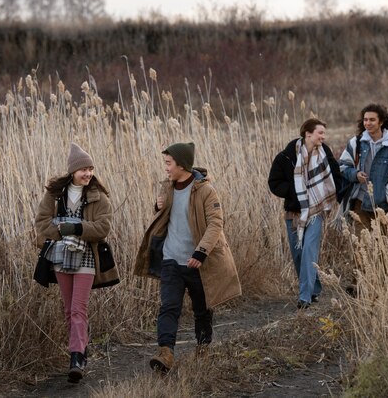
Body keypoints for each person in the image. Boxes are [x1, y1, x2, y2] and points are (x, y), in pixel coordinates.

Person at [134, 142, 242, 372]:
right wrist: (157, 205)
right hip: (171, 259)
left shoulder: (205, 190)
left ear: (181, 164)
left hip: (197, 262)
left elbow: (216, 223)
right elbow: (164, 215)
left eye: (168, 163)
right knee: (169, 307)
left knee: (202, 309)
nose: (165, 168)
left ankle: (203, 348)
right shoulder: (168, 187)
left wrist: (200, 252)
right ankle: (166, 353)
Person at [34, 143, 119, 384]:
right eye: (84, 169)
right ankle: (80, 347)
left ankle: (76, 358)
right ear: (73, 170)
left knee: (78, 307)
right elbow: (41, 222)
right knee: (68, 308)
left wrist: (78, 228)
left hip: (86, 260)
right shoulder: (55, 194)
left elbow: (103, 227)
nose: (88, 173)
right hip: (60, 259)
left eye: (91, 169)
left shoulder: (98, 196)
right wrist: (61, 233)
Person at [268, 118, 343, 309]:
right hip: (294, 212)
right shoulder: (286, 157)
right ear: (308, 134)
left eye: (324, 133)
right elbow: (274, 183)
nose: (323, 137)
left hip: (316, 210)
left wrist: (342, 192)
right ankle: (314, 288)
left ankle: (304, 297)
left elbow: (334, 172)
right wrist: (296, 190)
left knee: (309, 250)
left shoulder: (324, 152)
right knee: (298, 254)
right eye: (320, 133)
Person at [338, 103, 388, 233]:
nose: (368, 123)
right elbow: (343, 166)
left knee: (386, 248)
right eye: (365, 120)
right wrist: (355, 174)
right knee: (363, 248)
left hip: (385, 206)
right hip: (360, 203)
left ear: (381, 122)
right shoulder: (356, 143)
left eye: (372, 120)